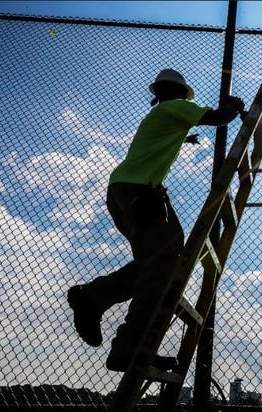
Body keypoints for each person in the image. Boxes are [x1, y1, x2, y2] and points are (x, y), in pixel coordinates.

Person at [67, 69, 245, 372]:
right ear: (179, 93)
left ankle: (95, 299)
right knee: (164, 266)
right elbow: (218, 117)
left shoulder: (162, 114)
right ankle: (128, 344)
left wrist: (185, 140)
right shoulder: (175, 107)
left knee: (163, 261)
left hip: (128, 192)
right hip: (141, 192)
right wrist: (236, 105)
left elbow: (161, 140)